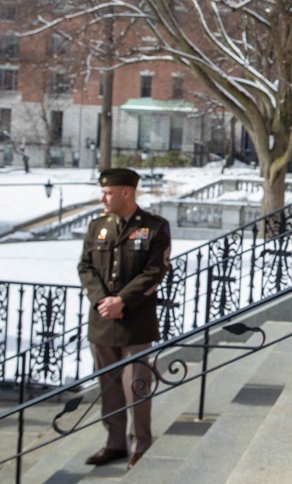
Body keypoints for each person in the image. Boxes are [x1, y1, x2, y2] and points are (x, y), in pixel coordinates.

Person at [78, 168, 171, 469]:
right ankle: (115, 443)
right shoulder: (97, 226)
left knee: (137, 387)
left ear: (126, 193)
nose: (102, 198)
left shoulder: (155, 228)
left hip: (135, 323)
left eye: (108, 193)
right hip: (103, 322)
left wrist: (122, 301)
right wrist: (103, 301)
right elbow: (86, 267)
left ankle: (140, 444)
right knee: (108, 388)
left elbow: (155, 271)